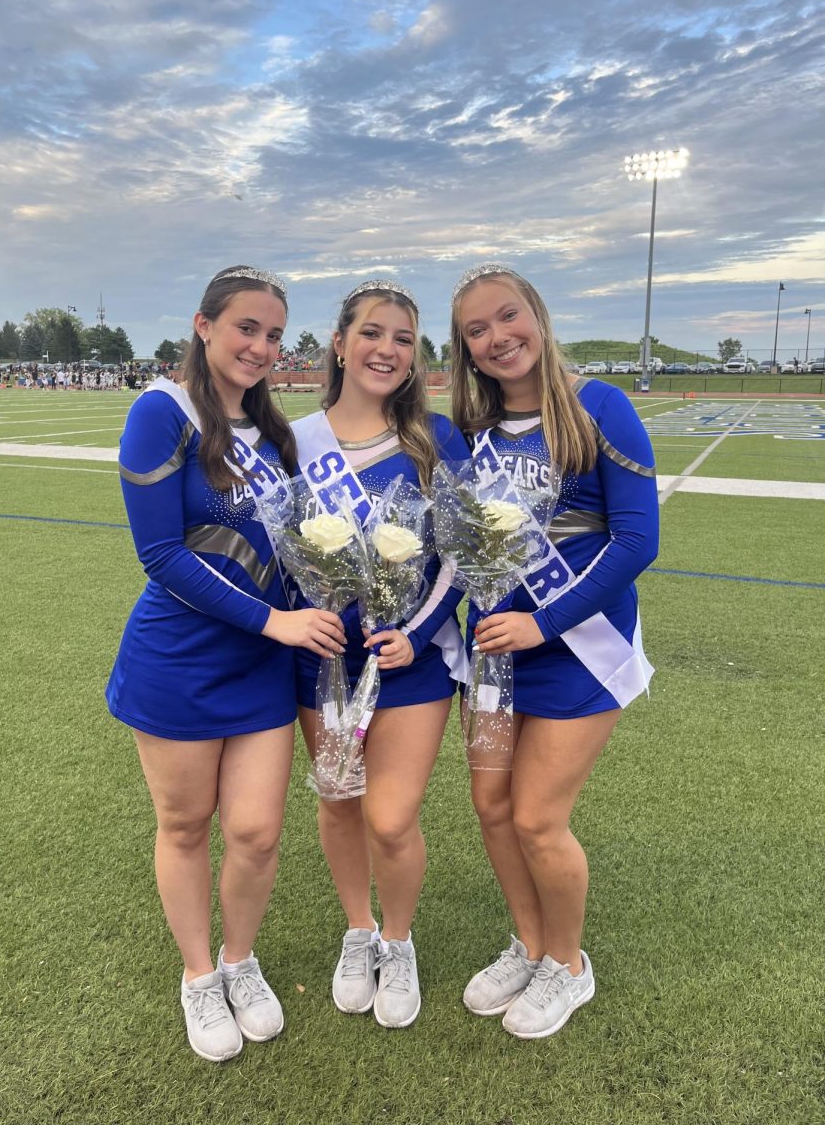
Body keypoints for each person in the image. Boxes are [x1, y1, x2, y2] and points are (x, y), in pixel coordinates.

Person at [106, 266, 346, 1062]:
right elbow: (161, 555)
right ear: (204, 325)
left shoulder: (275, 434)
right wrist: (274, 621)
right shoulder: (162, 413)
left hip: (260, 668)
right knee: (184, 826)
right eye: (247, 327)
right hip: (179, 659)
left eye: (275, 335)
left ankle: (240, 960)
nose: (262, 347)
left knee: (256, 832)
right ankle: (199, 975)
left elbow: (296, 548)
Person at [449, 263, 659, 1039]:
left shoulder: (599, 406)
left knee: (538, 818)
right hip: (495, 657)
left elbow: (638, 541)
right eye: (478, 330)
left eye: (508, 318)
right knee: (492, 810)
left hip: (577, 649)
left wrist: (543, 623)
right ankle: (530, 943)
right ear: (466, 349)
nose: (499, 337)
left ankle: (568, 965)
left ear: (536, 316)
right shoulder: (467, 435)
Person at [292, 280, 470, 1029]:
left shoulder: (436, 437)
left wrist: (418, 632)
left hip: (410, 661)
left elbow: (463, 555)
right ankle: (358, 927)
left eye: (403, 338)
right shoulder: (293, 440)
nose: (387, 349)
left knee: (391, 818)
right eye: (372, 333)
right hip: (323, 658)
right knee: (340, 802)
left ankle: (398, 941)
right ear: (340, 343)